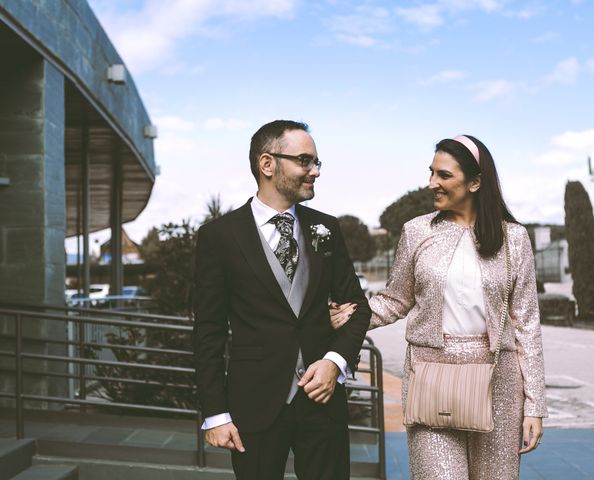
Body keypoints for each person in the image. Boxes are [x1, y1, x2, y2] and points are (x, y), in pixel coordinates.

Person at [331, 135, 547, 479]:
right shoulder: (416, 232)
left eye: (443, 175)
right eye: (431, 172)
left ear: (475, 181)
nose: (432, 183)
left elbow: (527, 325)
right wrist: (351, 314)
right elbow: (396, 299)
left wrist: (535, 405)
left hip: (499, 385)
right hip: (430, 380)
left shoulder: (514, 238)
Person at [192, 120, 371, 480]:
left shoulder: (326, 228)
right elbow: (208, 331)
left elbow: (357, 307)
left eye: (317, 162)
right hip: (254, 402)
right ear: (267, 164)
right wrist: (215, 414)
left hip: (322, 402)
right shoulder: (219, 237)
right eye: (305, 161)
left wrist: (335, 362)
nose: (315, 171)